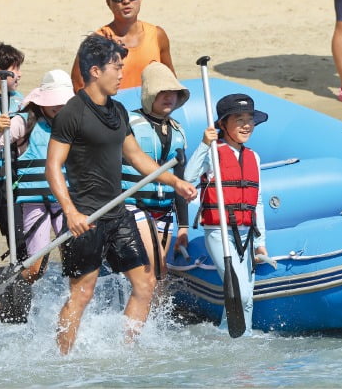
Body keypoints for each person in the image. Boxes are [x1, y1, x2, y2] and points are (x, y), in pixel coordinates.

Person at [45, 34, 197, 355]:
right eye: (116, 67)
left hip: (117, 214)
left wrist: (174, 182)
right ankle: (62, 360)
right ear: (96, 71)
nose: (121, 74)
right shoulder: (73, 113)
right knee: (82, 292)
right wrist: (70, 213)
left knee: (145, 285)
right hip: (85, 217)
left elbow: (137, 157)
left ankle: (125, 354)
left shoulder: (118, 111)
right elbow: (53, 167)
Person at [0, 70, 75, 323]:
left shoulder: (72, 122)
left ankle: (71, 312)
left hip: (65, 200)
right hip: (33, 201)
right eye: (55, 102)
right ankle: (6, 289)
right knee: (36, 267)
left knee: (76, 261)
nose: (60, 107)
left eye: (64, 102)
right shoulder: (22, 122)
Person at [184, 93, 270, 335]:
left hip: (247, 233)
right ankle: (227, 336)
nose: (246, 125)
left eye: (250, 119)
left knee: (246, 298)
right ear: (223, 124)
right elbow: (188, 178)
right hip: (219, 233)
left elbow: (258, 201)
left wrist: (261, 242)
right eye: (239, 119)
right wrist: (203, 143)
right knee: (239, 293)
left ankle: (239, 341)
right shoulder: (212, 152)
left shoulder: (253, 156)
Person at [121, 62, 190, 282]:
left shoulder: (177, 130)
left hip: (164, 211)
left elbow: (180, 180)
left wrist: (184, 226)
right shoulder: (128, 124)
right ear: (150, 94)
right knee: (154, 266)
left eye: (173, 93)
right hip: (133, 206)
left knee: (160, 275)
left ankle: (155, 317)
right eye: (163, 92)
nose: (169, 97)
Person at [71, 0, 175, 92]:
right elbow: (78, 85)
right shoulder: (97, 41)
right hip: (113, 109)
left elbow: (171, 79)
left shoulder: (157, 35)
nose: (126, 1)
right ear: (108, 3)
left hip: (151, 109)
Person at [0, 41, 25, 252]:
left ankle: (15, 284)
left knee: (23, 244)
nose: (19, 75)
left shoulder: (21, 102)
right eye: (15, 69)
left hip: (13, 182)